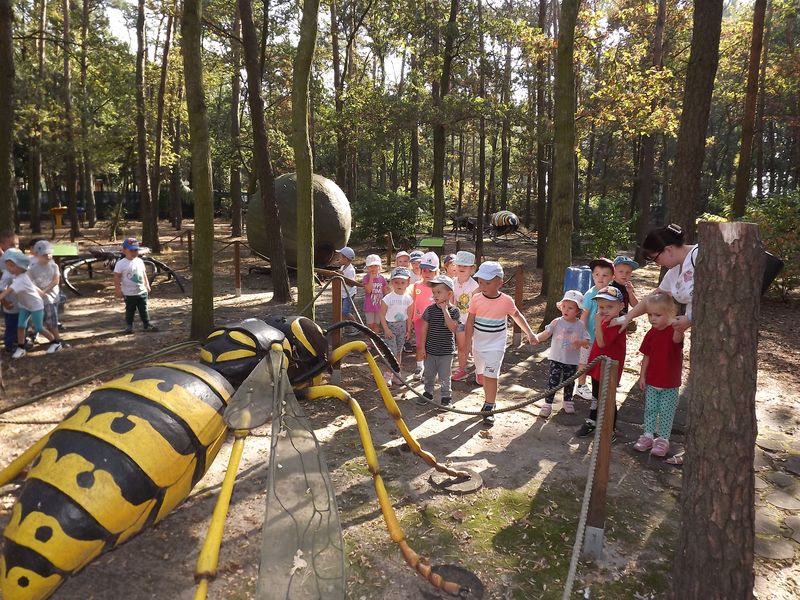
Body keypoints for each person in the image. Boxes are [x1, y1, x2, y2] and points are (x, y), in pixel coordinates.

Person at [616, 223, 698, 465]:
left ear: (668, 249)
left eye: (655, 258)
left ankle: (666, 438)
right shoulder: (674, 270)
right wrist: (628, 317)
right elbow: (654, 298)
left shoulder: (700, 257)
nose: (656, 263)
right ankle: (650, 434)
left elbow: (715, 295)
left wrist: (691, 319)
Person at [465, 261, 535, 425]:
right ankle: (481, 378)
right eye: (480, 282)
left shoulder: (506, 301)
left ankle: (490, 406)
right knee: (482, 375)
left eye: (487, 283)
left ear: (500, 283)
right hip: (479, 345)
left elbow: (517, 316)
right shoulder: (476, 299)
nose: (483, 286)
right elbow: (469, 322)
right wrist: (467, 343)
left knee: (491, 375)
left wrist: (530, 334)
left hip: (496, 345)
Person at [634, 293, 684, 458]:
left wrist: (679, 326)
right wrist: (642, 376)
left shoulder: (673, 331)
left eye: (657, 315)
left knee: (666, 412)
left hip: (669, 383)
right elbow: (646, 356)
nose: (652, 319)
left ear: (669, 315)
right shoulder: (651, 333)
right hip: (652, 380)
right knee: (650, 409)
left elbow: (678, 340)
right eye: (649, 315)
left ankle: (663, 439)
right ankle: (648, 435)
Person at [576, 285, 626, 438]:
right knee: (596, 396)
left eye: (610, 306)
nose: (604, 310)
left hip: (609, 368)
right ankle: (592, 421)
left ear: (621, 306)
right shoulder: (605, 321)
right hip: (598, 365)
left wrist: (597, 323)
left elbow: (602, 342)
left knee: (608, 398)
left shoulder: (616, 324)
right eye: (601, 307)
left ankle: (610, 429)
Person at [534, 290, 590, 418]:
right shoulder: (557, 322)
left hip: (572, 360)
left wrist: (580, 342)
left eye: (570, 308)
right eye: (564, 306)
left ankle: (568, 401)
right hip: (556, 358)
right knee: (553, 381)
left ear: (577, 311)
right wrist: (536, 338)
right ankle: (547, 404)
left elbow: (587, 341)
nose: (566, 310)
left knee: (569, 382)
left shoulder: (580, 325)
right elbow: (546, 333)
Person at [0, 249, 62, 357]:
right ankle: (21, 347)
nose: (8, 268)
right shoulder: (18, 277)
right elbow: (32, 286)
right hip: (24, 305)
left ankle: (56, 343)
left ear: (19, 266)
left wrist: (41, 294)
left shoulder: (20, 279)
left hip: (35, 306)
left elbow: (7, 292)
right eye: (7, 265)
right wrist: (41, 292)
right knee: (20, 326)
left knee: (39, 328)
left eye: (11, 265)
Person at [417, 274, 460, 407]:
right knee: (429, 375)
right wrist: (422, 348)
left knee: (445, 376)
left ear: (449, 294)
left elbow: (452, 327)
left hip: (446, 351)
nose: (435, 295)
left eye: (439, 292)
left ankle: (446, 397)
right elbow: (424, 329)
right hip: (431, 350)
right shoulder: (430, 310)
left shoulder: (454, 311)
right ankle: (428, 393)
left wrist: (445, 310)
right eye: (434, 292)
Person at [575, 258, 615, 400]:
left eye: (605, 275)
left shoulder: (612, 294)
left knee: (598, 361)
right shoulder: (591, 294)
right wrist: (581, 334)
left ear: (612, 277)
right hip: (589, 336)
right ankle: (580, 386)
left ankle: (598, 386)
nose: (600, 278)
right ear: (592, 276)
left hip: (602, 336)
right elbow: (584, 316)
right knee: (583, 361)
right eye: (597, 274)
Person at [114, 238, 158, 333]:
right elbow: (117, 277)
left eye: (136, 250)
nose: (134, 252)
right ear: (124, 250)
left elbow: (143, 273)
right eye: (131, 250)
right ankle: (129, 326)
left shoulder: (139, 261)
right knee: (130, 310)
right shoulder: (121, 264)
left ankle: (147, 324)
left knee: (144, 309)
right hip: (129, 293)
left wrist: (147, 284)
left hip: (141, 291)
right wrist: (118, 289)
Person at [380, 267, 413, 386]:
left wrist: (408, 330)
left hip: (402, 327)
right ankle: (387, 375)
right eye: (396, 282)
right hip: (391, 327)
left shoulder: (408, 299)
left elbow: (409, 315)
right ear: (392, 283)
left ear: (407, 283)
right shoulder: (388, 298)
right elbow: (382, 315)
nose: (399, 285)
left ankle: (396, 374)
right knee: (391, 353)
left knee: (399, 352)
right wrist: (386, 329)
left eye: (402, 282)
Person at [410, 252, 439, 379]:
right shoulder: (416, 285)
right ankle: (419, 366)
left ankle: (431, 368)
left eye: (430, 271)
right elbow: (413, 302)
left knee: (432, 345)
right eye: (424, 270)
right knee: (420, 344)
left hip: (434, 321)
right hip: (419, 320)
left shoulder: (438, 286)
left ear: (436, 272)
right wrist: (411, 318)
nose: (427, 273)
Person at [28, 240, 62, 347]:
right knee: (38, 320)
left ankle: (57, 340)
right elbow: (30, 283)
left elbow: (56, 280)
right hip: (38, 300)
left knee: (52, 320)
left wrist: (45, 291)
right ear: (37, 255)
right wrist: (39, 292)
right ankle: (33, 336)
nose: (48, 256)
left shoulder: (54, 266)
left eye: (49, 253)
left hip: (51, 298)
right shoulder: (32, 269)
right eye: (45, 254)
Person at [451, 251, 479, 382]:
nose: (462, 268)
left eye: (465, 266)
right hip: (459, 321)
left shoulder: (474, 286)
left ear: (472, 269)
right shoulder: (452, 283)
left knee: (470, 346)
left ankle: (471, 368)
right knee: (461, 346)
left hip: (471, 321)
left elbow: (477, 305)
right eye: (459, 265)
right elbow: (452, 302)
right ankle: (462, 368)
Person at [0, 230, 19, 354]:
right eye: (11, 245)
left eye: (16, 244)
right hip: (8, 299)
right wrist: (4, 302)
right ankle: (9, 343)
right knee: (11, 322)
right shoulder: (4, 262)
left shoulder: (18, 258)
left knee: (20, 321)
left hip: (19, 299)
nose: (15, 248)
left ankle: (19, 340)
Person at [362, 254, 388, 333]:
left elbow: (385, 292)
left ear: (379, 267)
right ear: (367, 268)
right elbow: (368, 290)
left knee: (377, 325)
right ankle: (370, 342)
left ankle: (375, 343)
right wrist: (371, 278)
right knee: (370, 326)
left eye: (375, 266)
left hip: (379, 306)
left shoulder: (382, 278)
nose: (373, 268)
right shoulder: (366, 278)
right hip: (369, 306)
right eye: (370, 266)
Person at [335, 246, 358, 324]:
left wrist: (342, 276)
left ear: (345, 259)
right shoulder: (342, 267)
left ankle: (356, 326)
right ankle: (341, 328)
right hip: (343, 293)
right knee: (341, 311)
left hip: (349, 294)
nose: (339, 258)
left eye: (340, 257)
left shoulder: (350, 270)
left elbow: (351, 283)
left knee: (345, 311)